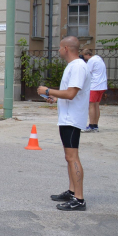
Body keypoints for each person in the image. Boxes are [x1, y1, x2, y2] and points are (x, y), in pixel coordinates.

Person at [38, 36, 91, 211]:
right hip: (69, 117)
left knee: (72, 157)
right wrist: (54, 97)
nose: (58, 51)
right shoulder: (74, 66)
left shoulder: (77, 67)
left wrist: (47, 90)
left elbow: (70, 94)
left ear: (66, 48)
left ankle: (79, 199)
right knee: (69, 157)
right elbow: (69, 94)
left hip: (72, 119)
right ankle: (72, 191)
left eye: (60, 48)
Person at [80, 48, 107, 133]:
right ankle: (95, 125)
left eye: (84, 56)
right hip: (102, 85)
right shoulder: (98, 58)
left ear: (87, 55)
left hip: (95, 86)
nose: (84, 58)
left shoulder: (91, 61)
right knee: (96, 105)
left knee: (91, 105)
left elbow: (87, 73)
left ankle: (91, 125)